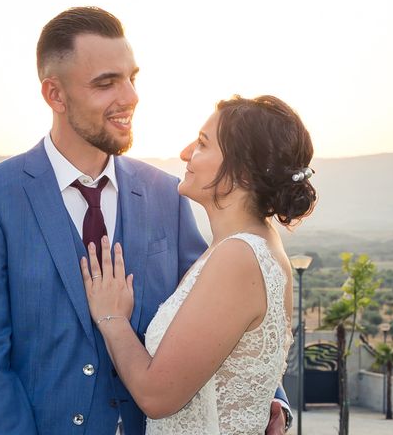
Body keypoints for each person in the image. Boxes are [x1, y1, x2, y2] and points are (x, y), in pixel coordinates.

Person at [0, 7, 291, 434]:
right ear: (55, 95)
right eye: (106, 83)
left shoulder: (166, 194)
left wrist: (266, 396)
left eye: (132, 77)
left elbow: (224, 308)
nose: (130, 96)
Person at [81, 95, 316, 434]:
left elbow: (157, 396)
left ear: (242, 170)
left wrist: (113, 319)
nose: (186, 152)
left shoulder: (238, 257)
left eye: (203, 144)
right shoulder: (247, 245)